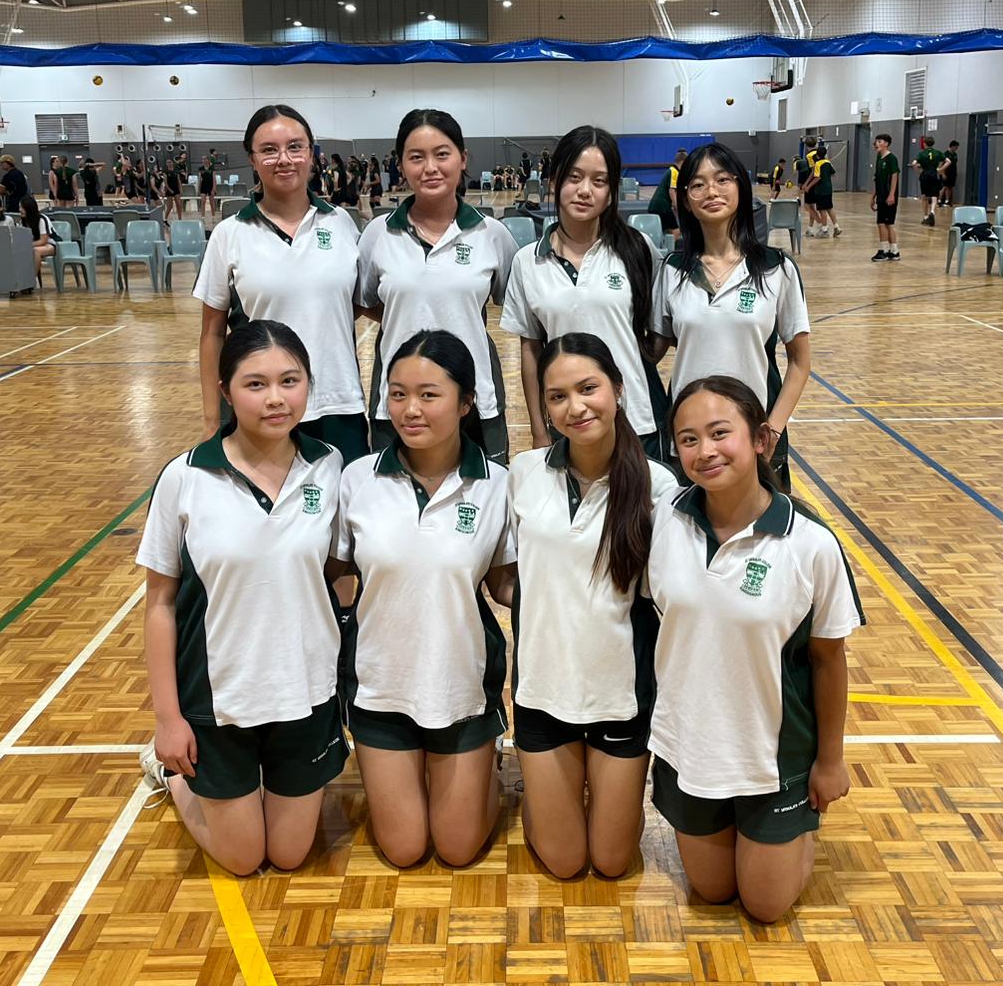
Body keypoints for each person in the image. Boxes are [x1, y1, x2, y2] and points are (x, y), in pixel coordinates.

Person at [649, 375, 863, 922]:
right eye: (689, 439)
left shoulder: (810, 543)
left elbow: (828, 660)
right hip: (691, 746)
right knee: (713, 890)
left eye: (720, 432)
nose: (705, 450)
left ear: (762, 439)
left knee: (766, 905)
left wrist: (830, 761)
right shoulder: (664, 520)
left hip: (775, 755)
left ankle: (795, 831)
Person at [139, 320, 348, 877]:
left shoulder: (330, 467)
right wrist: (167, 719)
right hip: (217, 696)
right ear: (225, 391)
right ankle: (174, 776)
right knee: (243, 858)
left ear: (308, 385)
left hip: (305, 691)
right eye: (256, 384)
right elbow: (159, 604)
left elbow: (339, 574)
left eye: (289, 381)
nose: (276, 398)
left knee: (289, 855)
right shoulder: (185, 476)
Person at [326, 329, 515, 867]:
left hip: (461, 686)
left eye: (429, 395)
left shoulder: (498, 484)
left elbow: (503, 584)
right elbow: (337, 574)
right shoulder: (357, 479)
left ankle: (486, 756)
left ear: (466, 402)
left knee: (457, 849)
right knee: (406, 849)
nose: (410, 409)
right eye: (398, 394)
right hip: (380, 687)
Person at [497, 334, 679, 878]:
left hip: (619, 696)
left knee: (612, 861)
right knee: (565, 861)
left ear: (618, 389)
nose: (575, 407)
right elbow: (505, 578)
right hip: (543, 690)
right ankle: (541, 794)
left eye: (588, 389)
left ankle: (581, 797)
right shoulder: (524, 472)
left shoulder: (658, 485)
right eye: (557, 397)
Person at [196, 104, 368, 464]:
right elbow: (212, 333)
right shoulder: (229, 234)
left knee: (344, 499)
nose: (284, 159)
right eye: (269, 150)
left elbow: (354, 305)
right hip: (264, 407)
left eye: (295, 147)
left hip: (339, 404)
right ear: (253, 159)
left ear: (311, 154)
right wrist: (212, 420)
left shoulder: (341, 223)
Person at [357, 109, 519, 464]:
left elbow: (516, 305)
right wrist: (410, 317)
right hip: (399, 401)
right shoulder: (377, 235)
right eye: (416, 157)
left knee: (482, 492)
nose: (430, 167)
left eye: (442, 154)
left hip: (474, 397)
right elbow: (363, 301)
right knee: (394, 492)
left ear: (463, 158)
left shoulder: (492, 235)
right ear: (401, 164)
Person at [649, 143, 810, 491]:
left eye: (722, 179)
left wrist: (773, 430)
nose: (711, 191)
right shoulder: (672, 270)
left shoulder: (777, 268)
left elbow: (800, 362)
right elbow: (650, 354)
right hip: (691, 440)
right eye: (698, 184)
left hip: (756, 437)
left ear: (740, 187)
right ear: (686, 199)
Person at [501, 125, 666, 458]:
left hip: (637, 419)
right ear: (554, 182)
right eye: (574, 177)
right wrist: (539, 430)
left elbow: (660, 331)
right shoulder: (527, 261)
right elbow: (530, 351)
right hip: (568, 421)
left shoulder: (639, 248)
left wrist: (630, 363)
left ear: (611, 191)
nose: (585, 191)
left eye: (599, 181)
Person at [869, 133, 900, 262]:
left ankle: (884, 250)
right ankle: (894, 251)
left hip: (888, 196)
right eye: (876, 141)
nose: (876, 144)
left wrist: (892, 194)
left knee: (885, 223)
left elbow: (894, 176)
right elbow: (877, 178)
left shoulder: (891, 158)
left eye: (879, 141)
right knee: (884, 223)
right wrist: (873, 196)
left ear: (886, 144)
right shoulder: (879, 157)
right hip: (881, 195)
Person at [647, 148, 686, 238]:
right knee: (675, 230)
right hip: (661, 207)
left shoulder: (671, 170)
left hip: (656, 206)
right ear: (683, 162)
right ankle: (671, 247)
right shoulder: (674, 172)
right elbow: (672, 191)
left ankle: (665, 244)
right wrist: (677, 207)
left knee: (666, 230)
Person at [19, 195, 55, 280]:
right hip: (34, 245)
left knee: (35, 251)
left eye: (22, 208)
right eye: (19, 207)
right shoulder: (22, 221)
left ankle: (31, 279)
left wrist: (27, 245)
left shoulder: (42, 219)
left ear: (29, 208)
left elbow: (43, 240)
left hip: (51, 244)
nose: (20, 210)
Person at [809, 142, 840, 238]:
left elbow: (817, 177)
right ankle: (836, 227)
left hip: (821, 190)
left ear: (817, 155)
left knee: (822, 209)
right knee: (829, 208)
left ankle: (824, 230)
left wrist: (808, 186)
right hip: (829, 189)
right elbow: (833, 174)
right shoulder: (828, 162)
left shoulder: (818, 164)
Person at [915, 137, 946, 227]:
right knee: (934, 195)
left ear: (924, 143)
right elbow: (948, 161)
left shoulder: (922, 153)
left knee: (924, 196)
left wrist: (918, 171)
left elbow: (914, 163)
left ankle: (925, 217)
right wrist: (940, 169)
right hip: (934, 175)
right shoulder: (938, 153)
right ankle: (932, 211)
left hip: (924, 176)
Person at [940, 139, 960, 207]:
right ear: (952, 146)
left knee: (950, 187)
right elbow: (941, 165)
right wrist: (943, 173)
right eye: (956, 147)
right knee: (944, 187)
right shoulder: (945, 154)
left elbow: (955, 164)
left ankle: (947, 201)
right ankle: (939, 200)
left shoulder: (955, 154)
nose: (956, 149)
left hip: (952, 174)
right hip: (946, 173)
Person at [198, 150, 216, 220]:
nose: (204, 160)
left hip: (211, 186)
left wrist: (214, 189)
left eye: (205, 159)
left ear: (208, 160)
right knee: (203, 201)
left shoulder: (212, 168)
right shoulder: (200, 169)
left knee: (212, 202)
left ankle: (213, 216)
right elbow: (199, 179)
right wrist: (199, 189)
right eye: (203, 159)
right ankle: (203, 216)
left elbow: (214, 179)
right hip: (203, 186)